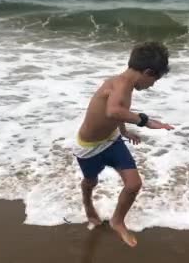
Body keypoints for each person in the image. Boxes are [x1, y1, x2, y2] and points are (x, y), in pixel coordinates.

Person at [73, 41, 174, 247]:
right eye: (154, 80)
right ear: (147, 72)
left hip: (112, 140)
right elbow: (113, 111)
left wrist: (124, 131)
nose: (152, 85)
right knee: (91, 182)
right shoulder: (120, 83)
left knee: (134, 184)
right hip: (89, 147)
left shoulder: (126, 86)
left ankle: (117, 221)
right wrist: (147, 122)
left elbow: (116, 112)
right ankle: (87, 203)